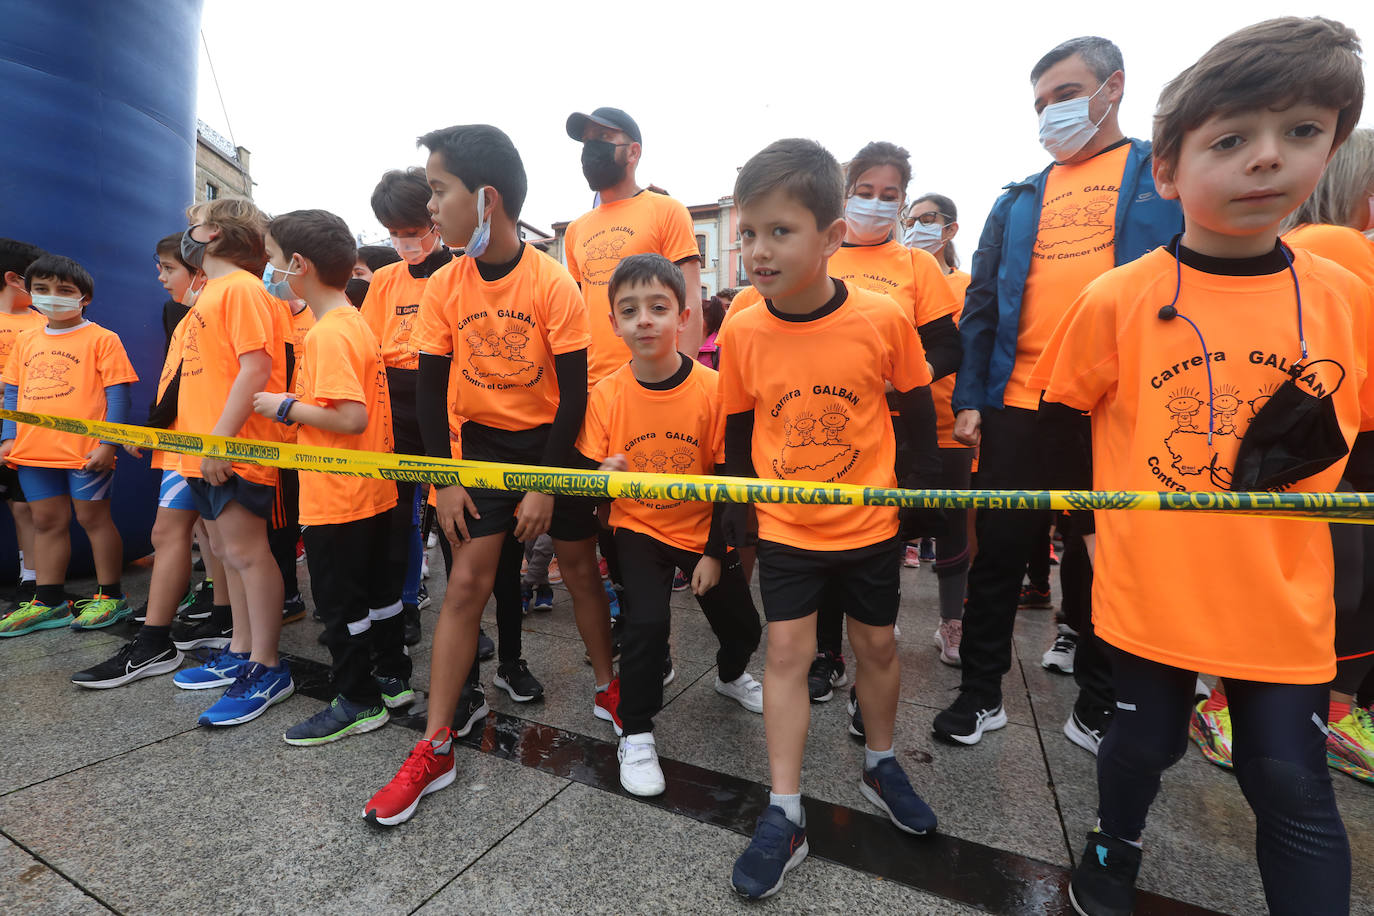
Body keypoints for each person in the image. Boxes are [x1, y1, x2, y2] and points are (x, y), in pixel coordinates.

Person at [1033, 18, 1370, 915]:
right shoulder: (1119, 298)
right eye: (1231, 140)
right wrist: (1086, 535)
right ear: (1169, 169)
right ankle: (1115, 839)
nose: (1268, 160)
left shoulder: (1346, 298)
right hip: (1153, 588)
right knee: (1139, 745)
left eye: (1301, 132)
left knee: (1288, 777)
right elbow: (1062, 430)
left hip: (1285, 599)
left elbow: (1362, 438)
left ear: (1332, 145)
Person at [363, 124, 614, 826]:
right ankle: (436, 743)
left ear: (487, 198)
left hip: (553, 447)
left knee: (580, 567)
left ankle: (610, 687)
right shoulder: (446, 283)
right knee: (465, 583)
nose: (429, 205)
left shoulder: (552, 281)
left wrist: (544, 483)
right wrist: (445, 482)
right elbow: (427, 390)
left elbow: (574, 396)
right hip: (479, 453)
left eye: (438, 190)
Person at [939, 36, 1181, 754]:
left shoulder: (1160, 178)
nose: (1052, 113)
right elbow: (981, 303)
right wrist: (970, 398)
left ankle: (1102, 700)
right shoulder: (1018, 199)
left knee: (1108, 554)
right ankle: (980, 694)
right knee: (1000, 554)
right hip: (1020, 403)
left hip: (1118, 407)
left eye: (1065, 95)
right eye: (1041, 103)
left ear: (1114, 87)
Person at [720, 139, 937, 900]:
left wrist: (907, 505)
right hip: (787, 531)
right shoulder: (744, 326)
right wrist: (746, 516)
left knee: (877, 646)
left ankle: (881, 763)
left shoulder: (881, 318)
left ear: (832, 236)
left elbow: (915, 411)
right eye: (749, 233)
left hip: (871, 527)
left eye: (780, 231)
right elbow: (740, 432)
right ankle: (785, 811)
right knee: (786, 653)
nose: (758, 250)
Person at [1190, 127, 1374, 784]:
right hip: (1334, 445)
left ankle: (1249, 703)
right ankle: (1249, 704)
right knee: (1329, 582)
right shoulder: (1334, 246)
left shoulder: (1308, 249)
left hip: (1303, 443)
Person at [577, 253, 763, 796]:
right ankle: (635, 733)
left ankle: (730, 677)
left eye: (658, 307)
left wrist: (710, 552)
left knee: (744, 628)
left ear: (683, 315)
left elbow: (728, 482)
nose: (644, 320)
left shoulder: (712, 390)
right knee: (645, 627)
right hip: (637, 529)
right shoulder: (607, 394)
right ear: (613, 322)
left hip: (704, 531)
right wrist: (599, 476)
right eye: (629, 310)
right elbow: (589, 473)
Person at [249, 208, 413, 744]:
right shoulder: (354, 322)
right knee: (380, 596)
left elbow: (349, 417)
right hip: (372, 490)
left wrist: (284, 406)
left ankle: (358, 700)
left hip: (338, 495)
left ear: (298, 264)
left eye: (272, 260)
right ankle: (391, 680)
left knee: (340, 605)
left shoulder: (327, 335)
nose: (270, 271)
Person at [811, 142, 959, 714]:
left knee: (879, 553)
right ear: (845, 195)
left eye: (889, 195)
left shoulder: (917, 265)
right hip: (827, 428)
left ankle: (871, 658)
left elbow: (948, 345)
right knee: (823, 542)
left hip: (898, 430)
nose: (875, 203)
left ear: (900, 203)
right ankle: (827, 655)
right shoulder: (823, 253)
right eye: (864, 192)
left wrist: (903, 381)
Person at [169, 197, 296, 726]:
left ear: (214, 235)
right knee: (223, 548)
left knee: (246, 552)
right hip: (206, 447)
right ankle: (242, 649)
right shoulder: (214, 293)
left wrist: (220, 441)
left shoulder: (241, 290)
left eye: (194, 226)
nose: (188, 233)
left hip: (235, 447)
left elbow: (254, 369)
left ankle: (267, 664)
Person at [0, 254, 137, 636]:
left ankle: (110, 596)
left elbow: (119, 397)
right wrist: (8, 438)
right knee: (45, 522)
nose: (52, 297)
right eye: (41, 289)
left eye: (64, 290)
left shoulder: (103, 338)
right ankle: (49, 601)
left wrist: (108, 443)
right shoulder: (26, 340)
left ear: (84, 298)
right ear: (29, 292)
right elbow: (12, 394)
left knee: (93, 519)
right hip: (31, 451)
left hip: (85, 453)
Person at [361, 167, 455, 646]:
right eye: (394, 235)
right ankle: (403, 604)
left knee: (458, 518)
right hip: (393, 403)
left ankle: (467, 618)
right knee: (398, 516)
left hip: (446, 401)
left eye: (413, 233)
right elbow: (367, 343)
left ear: (434, 223)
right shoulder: (384, 280)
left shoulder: (460, 271)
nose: (405, 244)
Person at [905, 193, 976, 666]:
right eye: (910, 219)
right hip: (897, 422)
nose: (915, 227)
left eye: (926, 219)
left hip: (950, 424)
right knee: (888, 522)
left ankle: (952, 623)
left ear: (949, 229)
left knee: (954, 527)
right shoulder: (896, 277)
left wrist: (974, 406)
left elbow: (976, 350)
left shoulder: (968, 286)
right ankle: (879, 617)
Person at [0, 238, 46, 613]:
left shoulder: (42, 321)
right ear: (15, 279)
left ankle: (30, 578)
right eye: (37, 280)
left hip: (24, 432)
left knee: (23, 507)